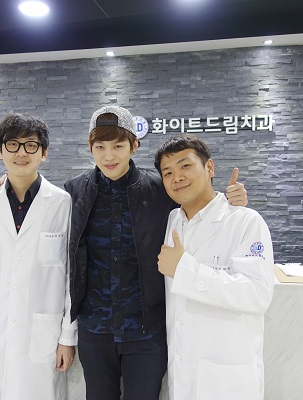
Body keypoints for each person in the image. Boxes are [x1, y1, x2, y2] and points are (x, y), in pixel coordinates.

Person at [64, 106, 249, 400]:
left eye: (118, 146)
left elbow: (197, 208)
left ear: (134, 145)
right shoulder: (74, 191)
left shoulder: (160, 189)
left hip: (146, 332)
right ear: (90, 148)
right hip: (94, 330)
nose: (109, 156)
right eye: (100, 147)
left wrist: (231, 202)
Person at [0, 113, 77, 400]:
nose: (21, 153)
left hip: (42, 331)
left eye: (31, 145)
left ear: (44, 153)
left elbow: (70, 275)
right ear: (0, 151)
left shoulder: (62, 203)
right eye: (12, 145)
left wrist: (67, 336)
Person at [154, 133, 274, 400]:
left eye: (185, 166)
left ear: (209, 168)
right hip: (182, 372)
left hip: (226, 378)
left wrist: (184, 270)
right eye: (168, 172)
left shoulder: (245, 221)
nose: (177, 177)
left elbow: (257, 294)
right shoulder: (173, 219)